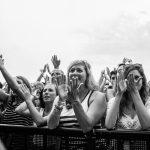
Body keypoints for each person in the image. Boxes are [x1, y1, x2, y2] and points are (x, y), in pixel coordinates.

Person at [47, 60, 106, 133]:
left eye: (79, 70)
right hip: (64, 144)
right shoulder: (60, 97)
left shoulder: (98, 96)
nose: (75, 73)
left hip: (89, 144)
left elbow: (87, 127)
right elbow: (51, 126)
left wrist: (75, 99)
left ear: (87, 75)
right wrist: (60, 100)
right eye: (72, 70)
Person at [105, 63, 150, 149]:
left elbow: (147, 124)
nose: (132, 81)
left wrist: (134, 92)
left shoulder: (148, 101)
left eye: (136, 77)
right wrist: (119, 94)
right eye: (128, 78)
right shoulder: (114, 101)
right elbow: (109, 125)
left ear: (143, 80)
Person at [0, 55, 33, 150]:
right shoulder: (8, 99)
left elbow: (15, 87)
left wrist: (2, 67)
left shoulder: (29, 100)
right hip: (6, 144)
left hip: (23, 145)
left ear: (26, 86)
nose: (13, 83)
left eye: (18, 82)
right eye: (13, 81)